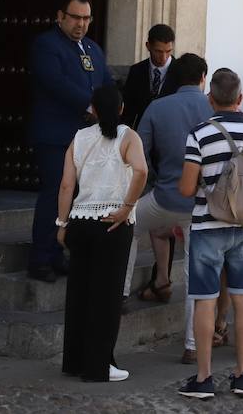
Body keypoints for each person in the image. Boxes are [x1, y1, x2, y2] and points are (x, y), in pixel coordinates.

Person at [176, 69, 243, 400]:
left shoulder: (199, 134)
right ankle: (242, 375)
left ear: (210, 98)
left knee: (205, 301)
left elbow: (187, 188)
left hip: (207, 226)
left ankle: (204, 377)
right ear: (239, 99)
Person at [57, 84, 147, 383]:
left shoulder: (79, 138)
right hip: (113, 223)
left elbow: (67, 185)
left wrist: (61, 223)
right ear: (121, 108)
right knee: (106, 297)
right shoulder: (128, 136)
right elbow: (141, 171)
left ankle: (75, 361)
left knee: (79, 293)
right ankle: (98, 366)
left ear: (93, 109)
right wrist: (127, 206)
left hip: (80, 221)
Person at [125, 52, 209, 363]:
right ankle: (192, 344)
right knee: (195, 274)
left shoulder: (157, 107)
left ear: (173, 77)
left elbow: (140, 153)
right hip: (200, 203)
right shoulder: (212, 108)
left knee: (128, 225)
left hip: (164, 196)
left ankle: (120, 292)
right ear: (203, 78)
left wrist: (152, 181)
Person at [29, 0, 115, 283]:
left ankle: (57, 253)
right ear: (60, 16)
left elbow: (105, 82)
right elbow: (55, 82)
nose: (81, 24)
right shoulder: (47, 45)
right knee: (55, 194)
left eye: (86, 18)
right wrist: (90, 105)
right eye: (76, 17)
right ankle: (40, 258)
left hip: (86, 138)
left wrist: (113, 104)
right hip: (55, 135)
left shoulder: (92, 48)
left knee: (75, 197)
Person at [121, 24, 177, 130]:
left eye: (168, 51)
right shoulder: (136, 71)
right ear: (148, 46)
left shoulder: (180, 72)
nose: (164, 57)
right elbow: (128, 109)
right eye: (158, 51)